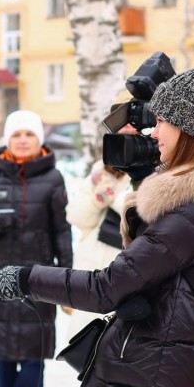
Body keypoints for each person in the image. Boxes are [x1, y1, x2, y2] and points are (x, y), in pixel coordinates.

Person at [0, 54, 194, 387]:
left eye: (162, 122)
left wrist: (28, 278)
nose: (155, 133)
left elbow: (106, 288)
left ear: (188, 129)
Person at [0, 109, 74, 387]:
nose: (23, 140)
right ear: (7, 140)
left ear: (39, 140)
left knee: (32, 362)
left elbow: (61, 231)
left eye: (29, 134)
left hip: (36, 283)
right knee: (0, 361)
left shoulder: (53, 178)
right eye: (17, 135)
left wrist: (67, 281)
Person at [63, 126, 133, 338]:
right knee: (84, 348)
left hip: (123, 275)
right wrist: (97, 200)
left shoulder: (153, 171)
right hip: (90, 270)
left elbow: (143, 214)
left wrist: (114, 198)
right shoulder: (101, 170)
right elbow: (75, 217)